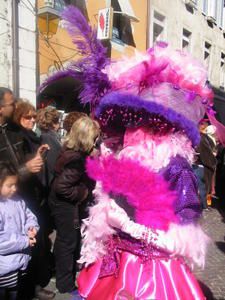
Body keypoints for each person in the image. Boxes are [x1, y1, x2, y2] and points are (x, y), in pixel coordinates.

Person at [49, 116, 99, 294]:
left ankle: (65, 278)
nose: (96, 140)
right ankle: (65, 284)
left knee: (67, 241)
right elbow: (61, 187)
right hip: (65, 207)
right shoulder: (76, 159)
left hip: (64, 205)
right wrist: (83, 193)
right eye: (95, 137)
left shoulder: (72, 152)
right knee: (67, 242)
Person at [13, 100, 55, 300]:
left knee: (38, 240)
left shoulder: (33, 137)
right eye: (26, 117)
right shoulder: (16, 138)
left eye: (33, 116)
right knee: (30, 241)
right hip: (22, 197)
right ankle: (31, 286)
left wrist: (39, 155)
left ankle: (35, 282)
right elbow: (16, 170)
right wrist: (29, 167)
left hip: (36, 197)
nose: (31, 120)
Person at [0, 162, 39, 300]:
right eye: (9, 185)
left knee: (22, 292)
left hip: (21, 261)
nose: (15, 188)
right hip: (5, 269)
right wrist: (25, 241)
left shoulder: (17, 200)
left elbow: (29, 215)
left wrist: (31, 227)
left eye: (15, 184)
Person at [0, 87, 44, 177]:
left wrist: (36, 155)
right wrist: (25, 169)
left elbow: (20, 158)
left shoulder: (15, 130)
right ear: (1, 109)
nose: (16, 106)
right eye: (12, 104)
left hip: (26, 188)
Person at [36, 107, 62, 185]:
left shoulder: (44, 136)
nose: (60, 125)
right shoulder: (49, 139)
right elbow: (54, 167)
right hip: (50, 184)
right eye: (58, 122)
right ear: (53, 124)